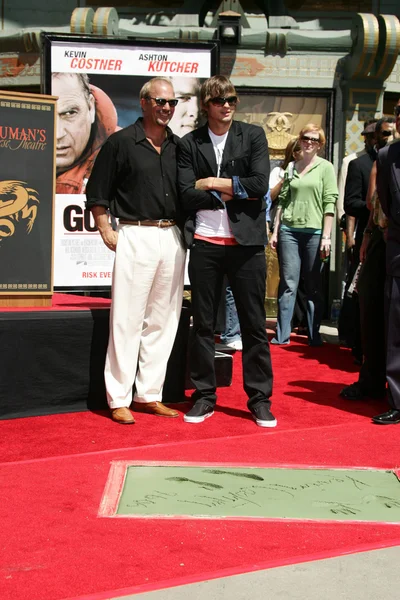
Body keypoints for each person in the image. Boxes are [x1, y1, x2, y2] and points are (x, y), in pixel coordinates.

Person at [85, 76, 186, 424]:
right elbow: (97, 191)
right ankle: (118, 397)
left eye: (172, 103)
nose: (167, 108)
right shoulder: (120, 143)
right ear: (144, 103)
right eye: (160, 102)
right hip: (135, 233)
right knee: (126, 319)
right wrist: (105, 227)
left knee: (163, 320)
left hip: (172, 237)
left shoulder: (179, 146)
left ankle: (149, 394)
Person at [177, 75, 276, 428]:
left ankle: (260, 399)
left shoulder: (252, 136)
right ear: (207, 104)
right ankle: (204, 396)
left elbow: (259, 184)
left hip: (246, 245)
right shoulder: (190, 143)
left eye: (232, 99)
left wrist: (213, 183)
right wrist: (235, 189)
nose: (228, 105)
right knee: (203, 325)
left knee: (252, 325)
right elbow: (185, 193)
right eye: (220, 100)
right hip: (205, 243)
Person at [270, 124, 338, 346]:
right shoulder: (290, 167)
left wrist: (327, 236)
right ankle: (282, 335)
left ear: (321, 144)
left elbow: (330, 203)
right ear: (299, 140)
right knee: (288, 283)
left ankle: (313, 335)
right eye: (306, 137)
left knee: (312, 285)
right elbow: (282, 201)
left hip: (315, 233)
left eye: (315, 139)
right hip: (289, 230)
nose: (310, 142)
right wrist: (276, 230)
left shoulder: (326, 168)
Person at [372, 105, 400, 425]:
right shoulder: (386, 156)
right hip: (398, 253)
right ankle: (397, 400)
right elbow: (387, 206)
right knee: (396, 334)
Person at [53, 72, 119, 195]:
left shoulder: (125, 156)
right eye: (45, 115)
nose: (57, 134)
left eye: (69, 113)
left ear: (90, 107)